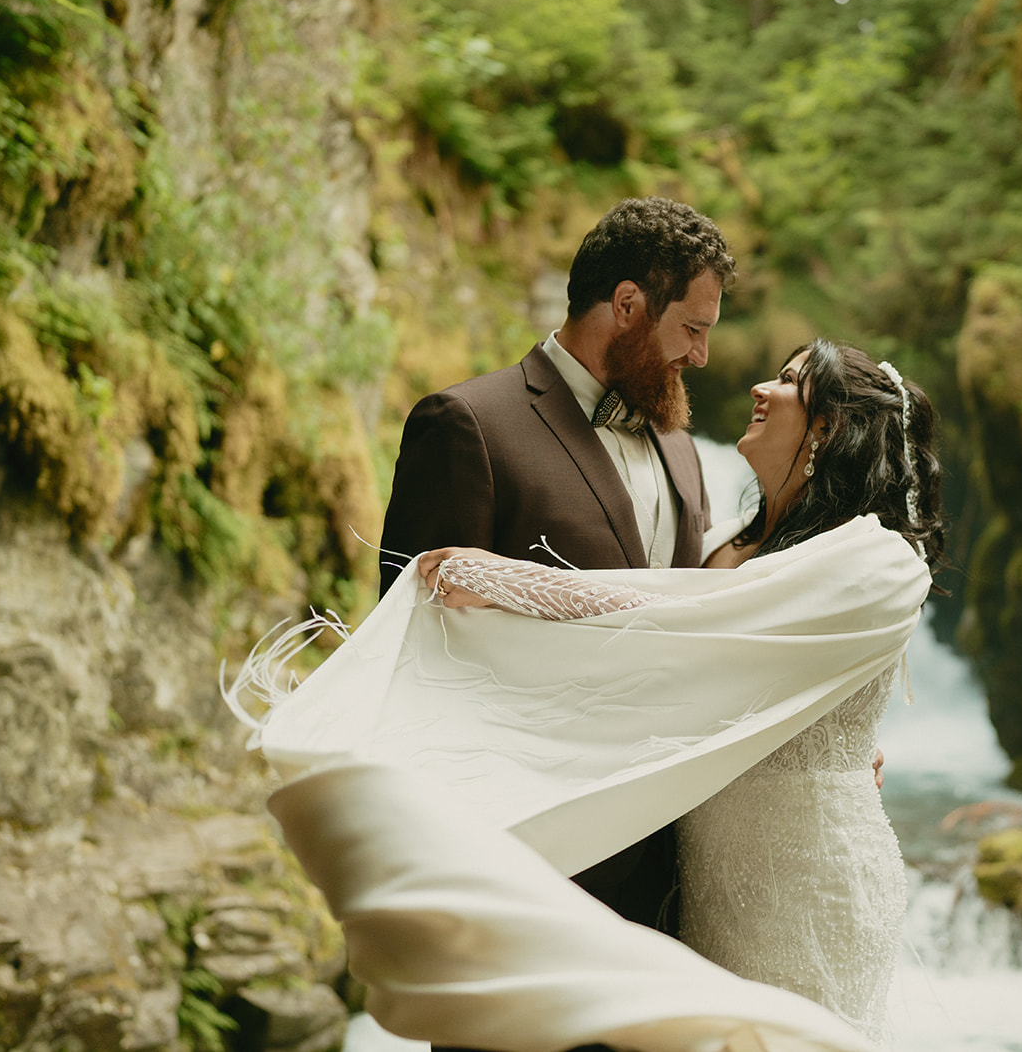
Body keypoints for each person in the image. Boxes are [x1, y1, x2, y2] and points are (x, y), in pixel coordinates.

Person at [414, 339, 943, 1046]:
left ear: (831, 426)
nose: (760, 386)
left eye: (788, 380)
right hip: (710, 870)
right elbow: (665, 666)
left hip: (810, 874)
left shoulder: (880, 555)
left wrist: (509, 581)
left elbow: (689, 621)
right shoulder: (723, 539)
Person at [376, 195, 736, 949]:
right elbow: (412, 664)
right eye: (692, 329)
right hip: (518, 878)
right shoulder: (466, 425)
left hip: (668, 886)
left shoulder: (678, 442)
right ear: (628, 305)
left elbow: (703, 632)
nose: (701, 355)